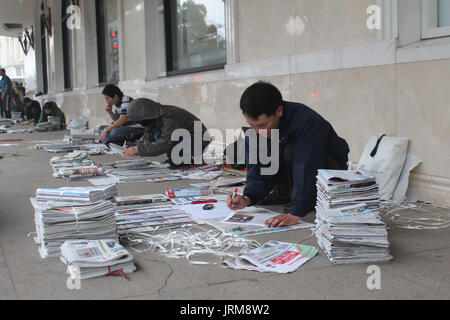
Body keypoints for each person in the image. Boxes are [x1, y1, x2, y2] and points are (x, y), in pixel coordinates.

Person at [227, 81, 350, 228]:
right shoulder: (257, 132)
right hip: (295, 168)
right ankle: (290, 192)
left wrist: (296, 212)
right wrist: (248, 197)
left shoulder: (307, 121)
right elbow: (257, 167)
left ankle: (306, 199)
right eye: (252, 125)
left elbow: (307, 164)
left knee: (290, 151)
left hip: (328, 167)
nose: (258, 131)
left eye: (262, 125)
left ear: (279, 111)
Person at [123, 98, 211, 164]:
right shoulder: (155, 116)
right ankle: (177, 159)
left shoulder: (169, 117)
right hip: (186, 139)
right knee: (157, 135)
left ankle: (190, 159)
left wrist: (138, 149)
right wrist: (134, 146)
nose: (140, 123)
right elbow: (148, 136)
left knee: (161, 137)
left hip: (198, 142)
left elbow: (167, 142)